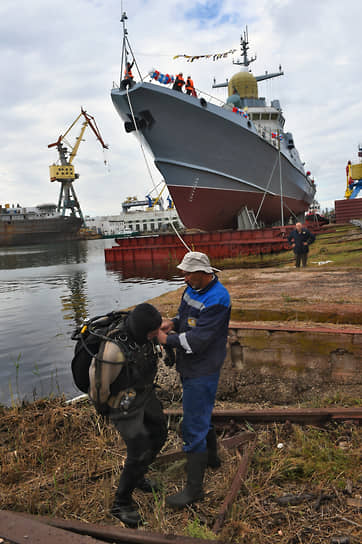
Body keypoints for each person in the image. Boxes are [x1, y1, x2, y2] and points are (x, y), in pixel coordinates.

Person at [157, 251, 231, 508]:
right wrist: (173, 324)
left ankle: (194, 490)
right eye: (184, 273)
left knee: (192, 427)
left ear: (204, 272)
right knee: (201, 415)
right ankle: (212, 459)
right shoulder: (191, 289)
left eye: (189, 273)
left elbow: (199, 340)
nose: (185, 277)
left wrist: (168, 340)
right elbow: (187, 320)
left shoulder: (218, 299)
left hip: (203, 368)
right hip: (191, 366)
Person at [88, 303, 167, 527]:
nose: (156, 335)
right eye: (153, 332)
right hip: (122, 403)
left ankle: (138, 476)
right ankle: (121, 503)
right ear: (142, 330)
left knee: (160, 433)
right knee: (139, 450)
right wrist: (103, 409)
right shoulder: (113, 351)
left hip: (143, 393)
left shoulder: (145, 336)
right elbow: (98, 388)